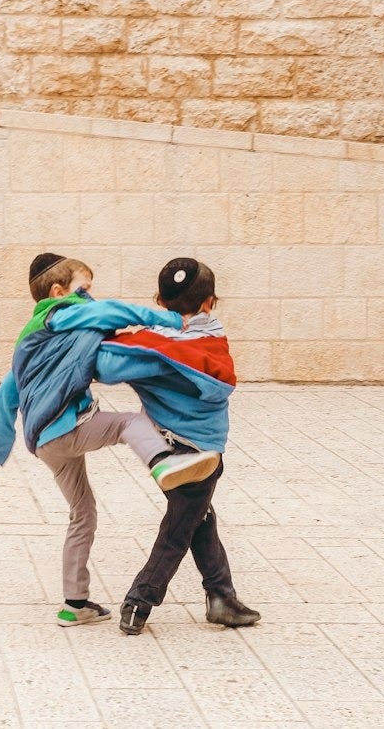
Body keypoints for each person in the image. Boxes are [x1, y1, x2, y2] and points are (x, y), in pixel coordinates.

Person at [0, 253, 220, 627]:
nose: (90, 297)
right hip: (71, 426)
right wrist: (169, 319)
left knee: (82, 514)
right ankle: (163, 462)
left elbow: (6, 395)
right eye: (85, 289)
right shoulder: (60, 314)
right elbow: (108, 313)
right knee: (128, 424)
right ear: (58, 292)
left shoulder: (29, 343)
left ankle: (75, 604)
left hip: (45, 444)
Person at [93, 257, 261, 635]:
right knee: (179, 528)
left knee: (198, 516)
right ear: (209, 302)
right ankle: (140, 600)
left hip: (163, 453)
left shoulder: (150, 348)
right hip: (202, 455)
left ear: (158, 299)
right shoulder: (213, 340)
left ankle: (222, 597)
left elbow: (104, 364)